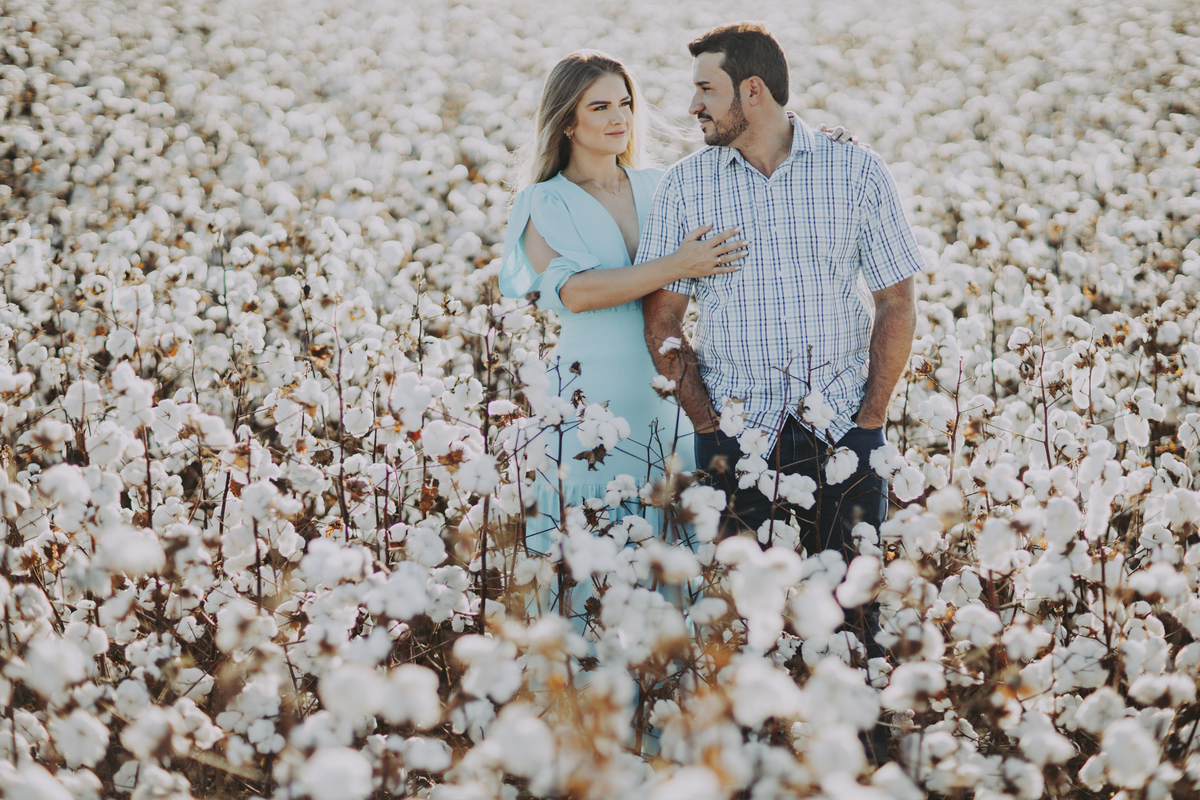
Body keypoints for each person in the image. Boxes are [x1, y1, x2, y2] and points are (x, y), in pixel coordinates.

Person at [640, 22, 922, 559]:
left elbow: (897, 301)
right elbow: (663, 320)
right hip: (734, 435)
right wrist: (706, 425)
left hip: (844, 428)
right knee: (738, 625)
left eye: (706, 90)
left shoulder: (856, 170)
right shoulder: (683, 186)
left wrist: (870, 423)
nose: (693, 105)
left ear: (753, 91)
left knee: (852, 619)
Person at [498, 51, 747, 560]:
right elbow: (577, 293)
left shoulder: (661, 184)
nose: (619, 118)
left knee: (673, 557)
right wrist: (681, 263)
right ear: (567, 120)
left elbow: (746, 177)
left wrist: (823, 143)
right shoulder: (545, 200)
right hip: (589, 400)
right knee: (593, 564)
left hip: (668, 393)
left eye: (626, 103)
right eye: (600, 107)